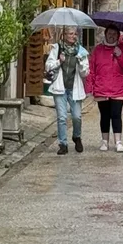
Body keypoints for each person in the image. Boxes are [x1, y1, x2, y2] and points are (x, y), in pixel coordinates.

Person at [86, 26, 123, 152]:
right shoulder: (98, 50)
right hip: (102, 87)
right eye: (109, 33)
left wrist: (120, 56)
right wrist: (90, 87)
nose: (111, 36)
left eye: (114, 34)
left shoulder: (122, 49)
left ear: (118, 36)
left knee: (116, 115)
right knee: (105, 115)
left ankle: (118, 141)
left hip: (118, 87)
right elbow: (92, 69)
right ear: (105, 34)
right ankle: (104, 141)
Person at [45, 27, 90, 155]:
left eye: (75, 34)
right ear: (63, 35)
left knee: (77, 116)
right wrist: (60, 61)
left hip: (74, 88)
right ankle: (63, 144)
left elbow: (85, 73)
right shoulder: (57, 48)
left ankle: (77, 136)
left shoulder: (81, 51)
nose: (73, 36)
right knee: (62, 117)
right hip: (60, 88)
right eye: (70, 33)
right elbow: (48, 66)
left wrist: (81, 63)